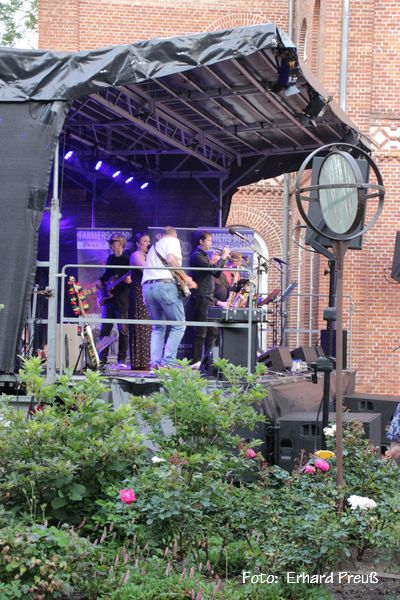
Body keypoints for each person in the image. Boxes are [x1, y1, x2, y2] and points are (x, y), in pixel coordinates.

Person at [142, 226, 196, 370]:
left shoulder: (153, 247)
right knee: (179, 325)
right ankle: (168, 363)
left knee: (158, 327)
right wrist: (185, 277)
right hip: (164, 286)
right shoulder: (172, 240)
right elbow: (171, 259)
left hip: (147, 288)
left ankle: (155, 363)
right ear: (174, 235)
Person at [189, 231, 229, 369]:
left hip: (209, 297)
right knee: (201, 331)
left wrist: (219, 261)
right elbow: (212, 271)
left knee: (212, 331)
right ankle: (196, 361)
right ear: (201, 241)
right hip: (201, 296)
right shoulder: (196, 255)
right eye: (208, 240)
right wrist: (223, 257)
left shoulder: (204, 256)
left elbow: (216, 273)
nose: (210, 243)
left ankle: (209, 361)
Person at [96, 234, 131, 369]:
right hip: (109, 300)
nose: (111, 245)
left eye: (113, 242)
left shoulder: (127, 259)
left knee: (123, 330)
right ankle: (102, 359)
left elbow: (131, 278)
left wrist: (129, 281)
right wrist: (101, 281)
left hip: (122, 300)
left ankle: (121, 359)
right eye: (110, 243)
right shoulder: (111, 258)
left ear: (120, 243)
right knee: (105, 329)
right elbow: (107, 275)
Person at [129, 232, 152, 371]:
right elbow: (148, 270)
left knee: (148, 327)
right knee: (140, 326)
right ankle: (139, 362)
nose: (147, 244)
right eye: (144, 241)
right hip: (138, 293)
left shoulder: (147, 256)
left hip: (146, 292)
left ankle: (147, 360)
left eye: (148, 241)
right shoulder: (136, 255)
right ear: (138, 243)